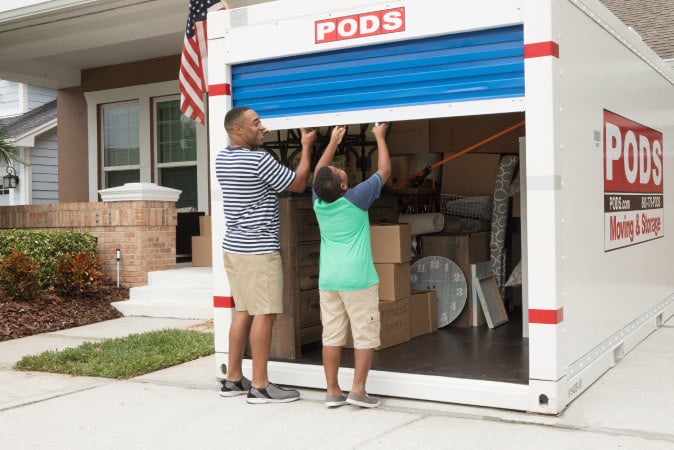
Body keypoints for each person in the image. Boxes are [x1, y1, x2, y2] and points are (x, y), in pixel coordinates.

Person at [215, 106, 317, 404]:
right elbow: (298, 184)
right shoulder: (258, 161)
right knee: (264, 312)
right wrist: (307, 147)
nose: (264, 128)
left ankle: (233, 378)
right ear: (237, 130)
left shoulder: (223, 158)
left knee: (244, 310)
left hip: (234, 248)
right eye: (256, 123)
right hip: (259, 251)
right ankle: (260, 385)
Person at [311, 122, 391, 408]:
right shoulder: (356, 199)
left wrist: (332, 141)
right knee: (364, 333)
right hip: (359, 279)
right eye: (339, 172)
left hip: (329, 280)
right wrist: (379, 138)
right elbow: (384, 172)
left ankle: (332, 391)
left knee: (331, 335)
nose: (336, 168)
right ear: (344, 186)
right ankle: (358, 390)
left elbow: (320, 172)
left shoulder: (319, 202)